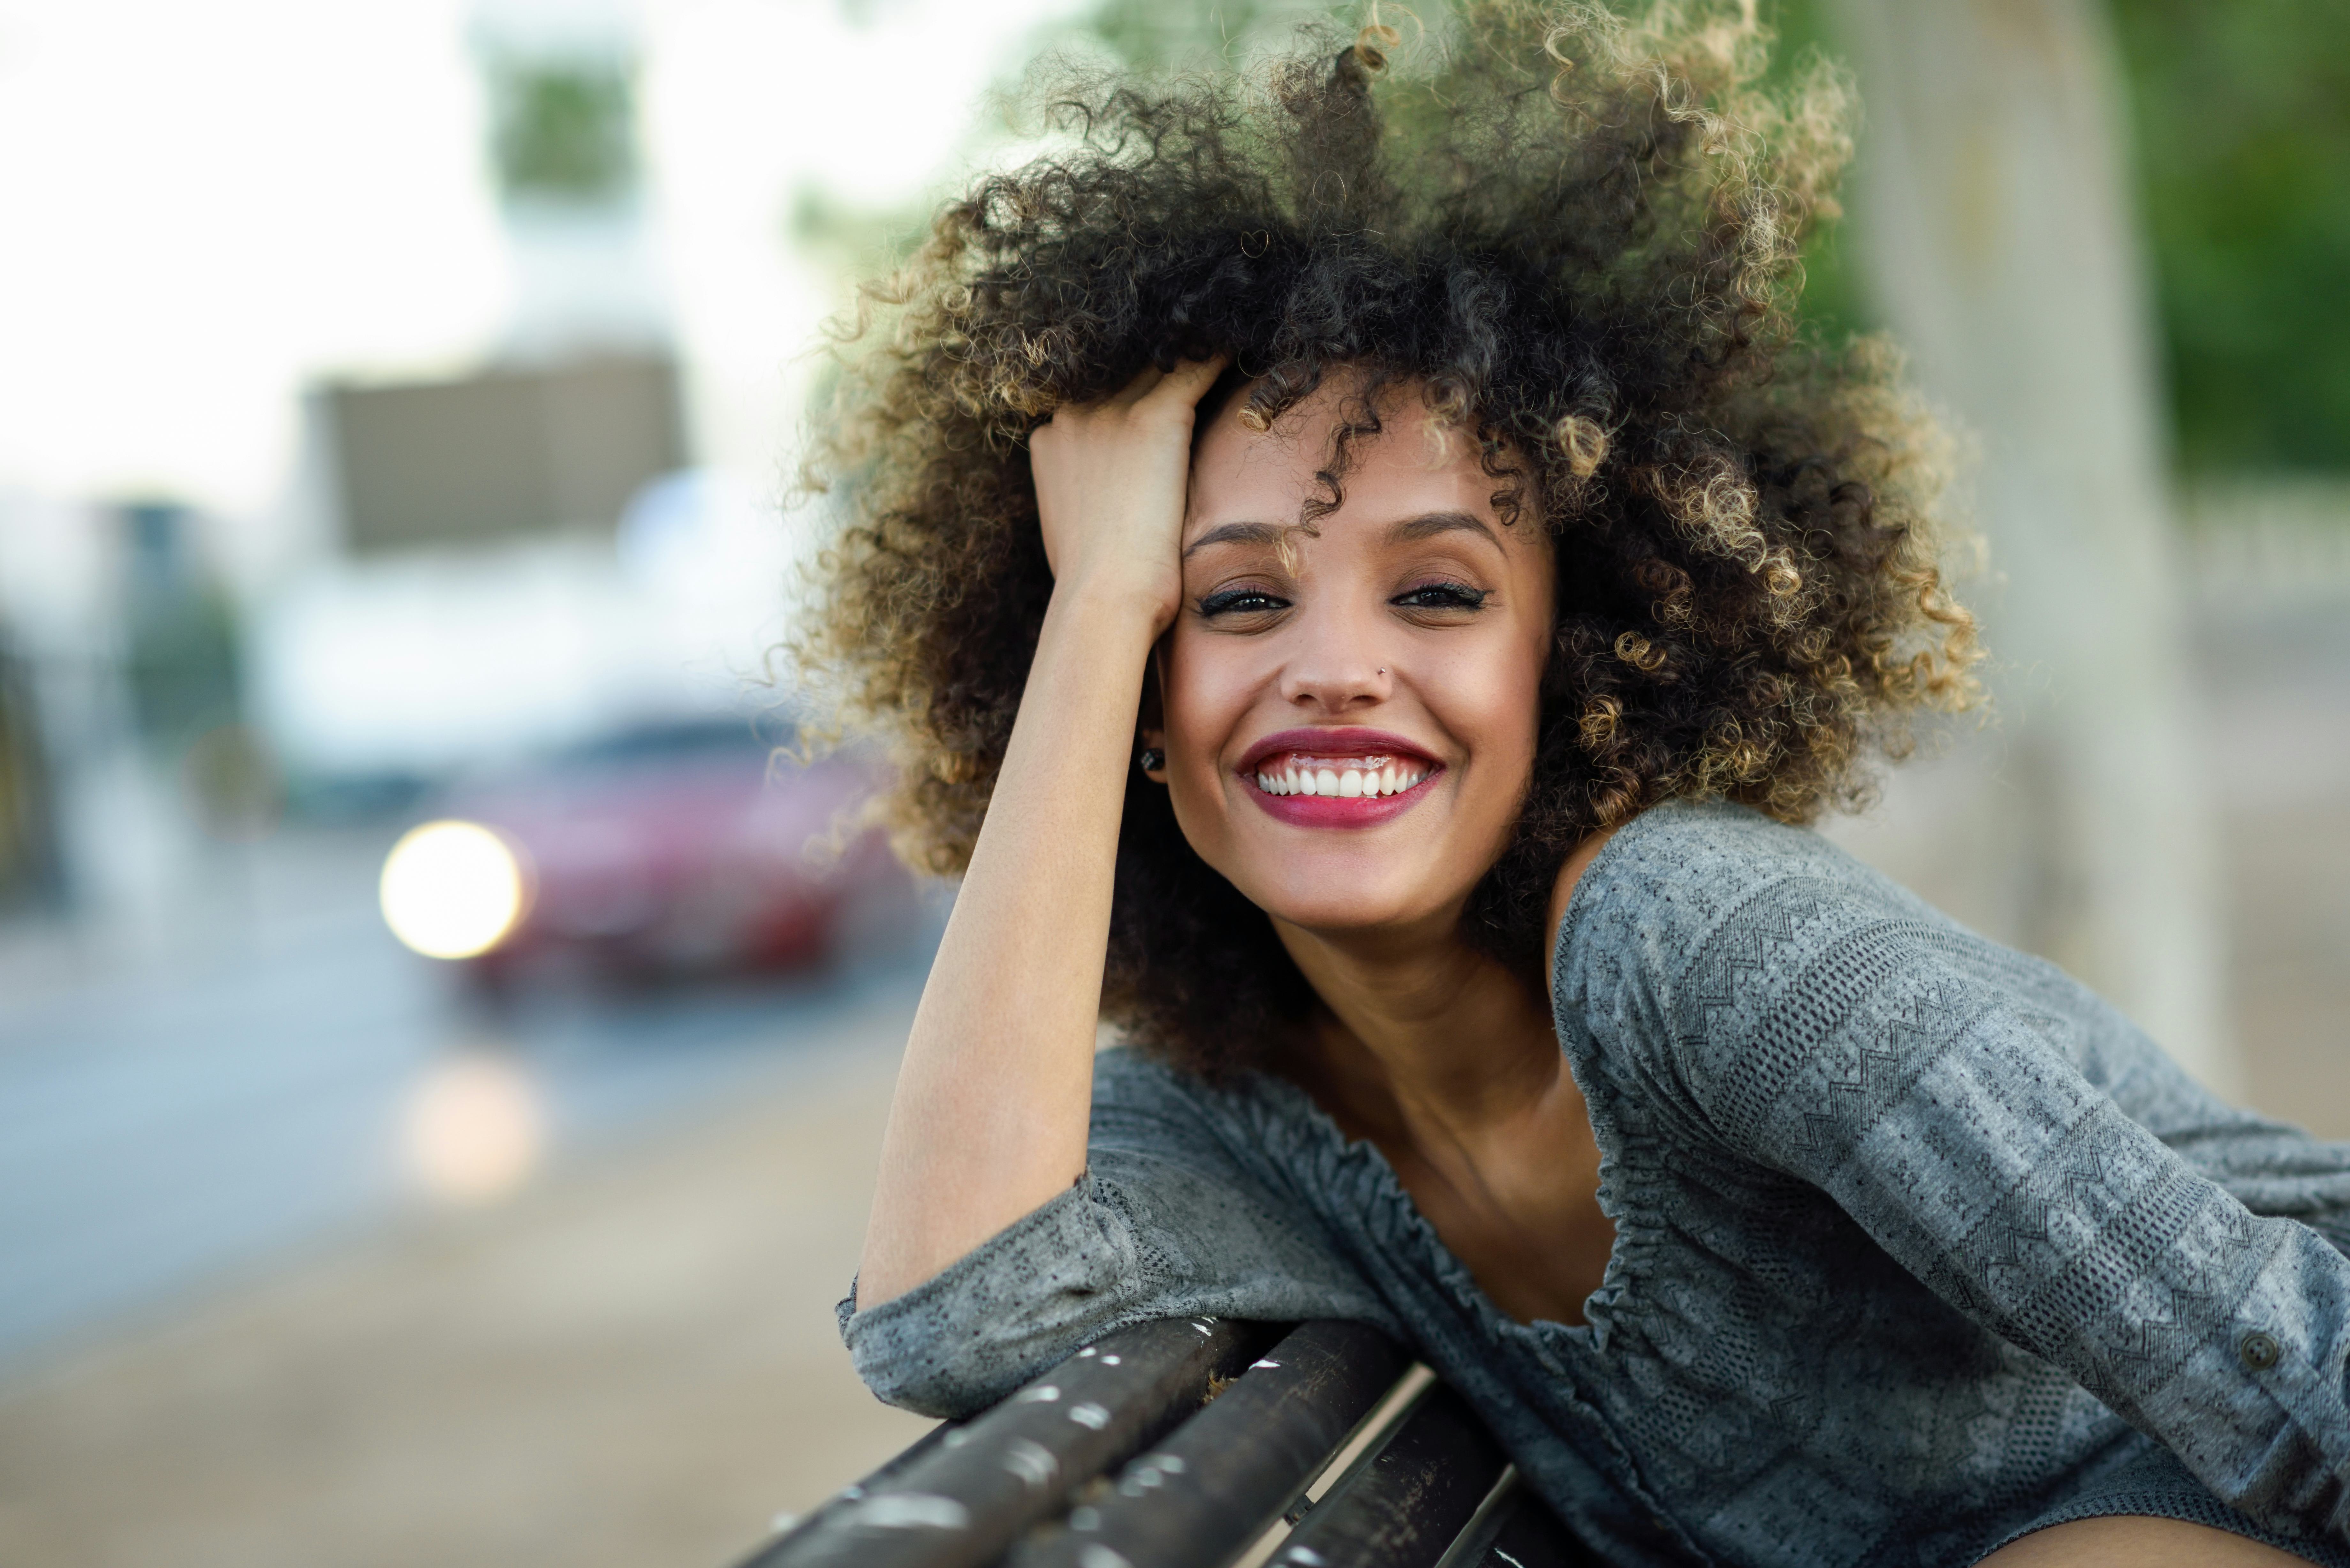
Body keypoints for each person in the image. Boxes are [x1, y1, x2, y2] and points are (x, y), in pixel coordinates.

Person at [800, 4, 2350, 1563]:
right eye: (1236, 601)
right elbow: (950, 1317)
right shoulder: (1238, 1117)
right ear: (1145, 697)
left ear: (1574, 657)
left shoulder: (1703, 945)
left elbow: (2288, 1363)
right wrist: (1096, 605)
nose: (1334, 667)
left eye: (1439, 594)